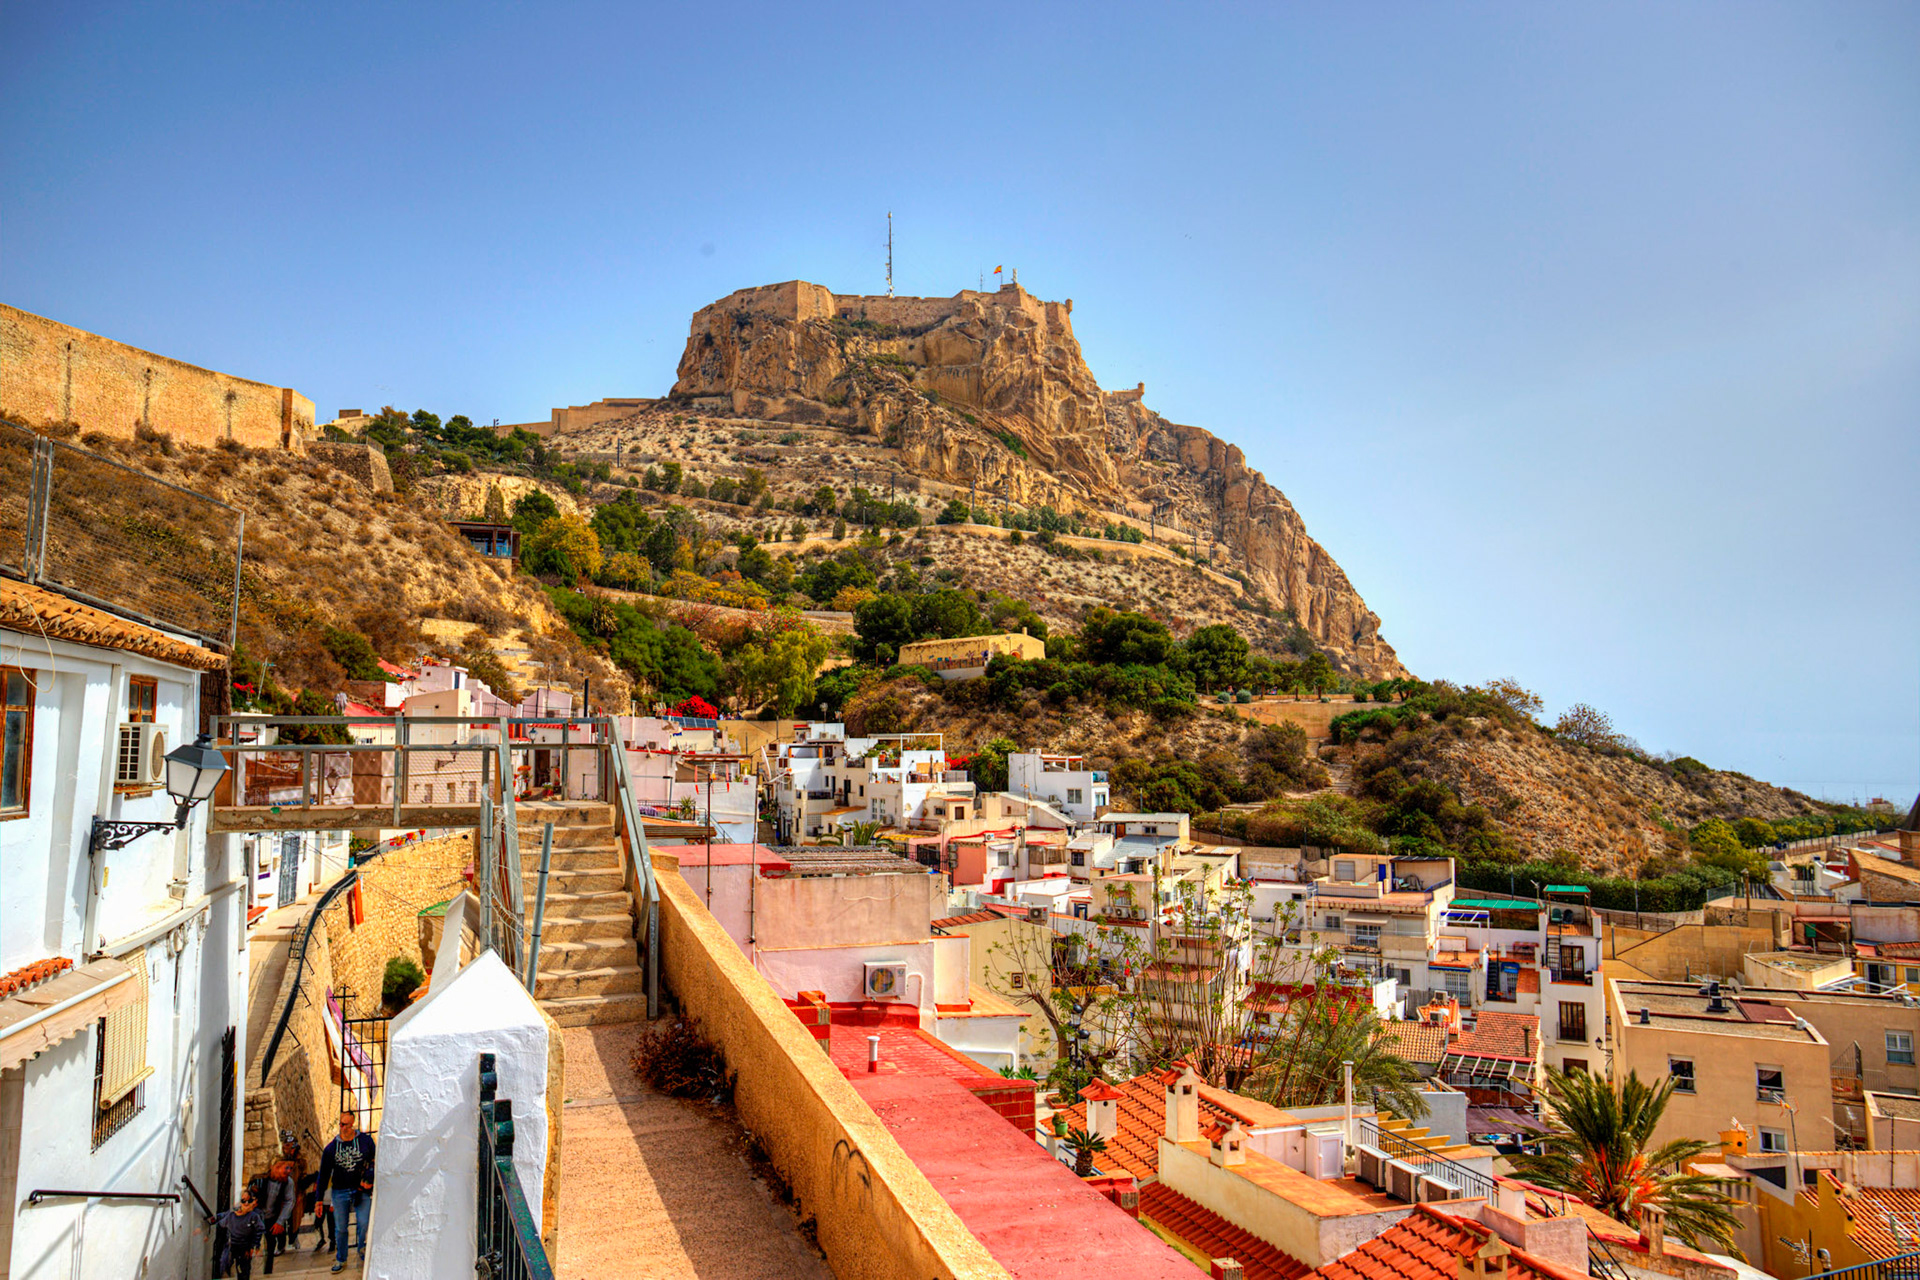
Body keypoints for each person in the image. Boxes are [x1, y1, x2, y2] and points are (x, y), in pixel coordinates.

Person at [316, 1110, 375, 1273]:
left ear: (352, 1125)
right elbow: (324, 1174)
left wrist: (370, 1177)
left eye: (345, 1125)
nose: (342, 1128)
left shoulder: (366, 1141)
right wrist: (319, 1200)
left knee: (364, 1223)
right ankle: (341, 1258)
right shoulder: (331, 1149)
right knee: (341, 1228)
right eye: (340, 1124)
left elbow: (374, 1160)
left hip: (361, 1190)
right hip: (340, 1191)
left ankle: (362, 1249)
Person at [251, 1159, 297, 1273]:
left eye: (291, 1169)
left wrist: (280, 1222)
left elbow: (289, 1201)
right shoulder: (259, 1179)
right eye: (286, 1168)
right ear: (276, 1167)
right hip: (255, 1217)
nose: (289, 1171)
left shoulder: (288, 1182)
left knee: (271, 1244)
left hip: (271, 1217)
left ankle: (268, 1272)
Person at [215, 1188, 265, 1280]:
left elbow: (259, 1230)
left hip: (245, 1247)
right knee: (225, 1264)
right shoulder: (232, 1215)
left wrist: (254, 1245)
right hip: (233, 1246)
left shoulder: (254, 1216)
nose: (246, 1203)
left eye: (248, 1201)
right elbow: (220, 1221)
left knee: (243, 1269)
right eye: (243, 1201)